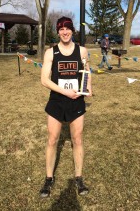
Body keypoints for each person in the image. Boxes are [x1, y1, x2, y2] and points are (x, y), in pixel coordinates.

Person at [40, 16, 92, 198]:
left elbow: (87, 71)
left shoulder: (82, 51)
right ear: (58, 31)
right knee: (52, 139)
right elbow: (44, 80)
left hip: (76, 100)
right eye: (61, 29)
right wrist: (63, 91)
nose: (65, 32)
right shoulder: (50, 53)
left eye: (68, 28)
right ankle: (48, 179)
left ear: (72, 30)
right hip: (56, 100)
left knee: (77, 139)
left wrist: (87, 88)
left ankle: (78, 177)